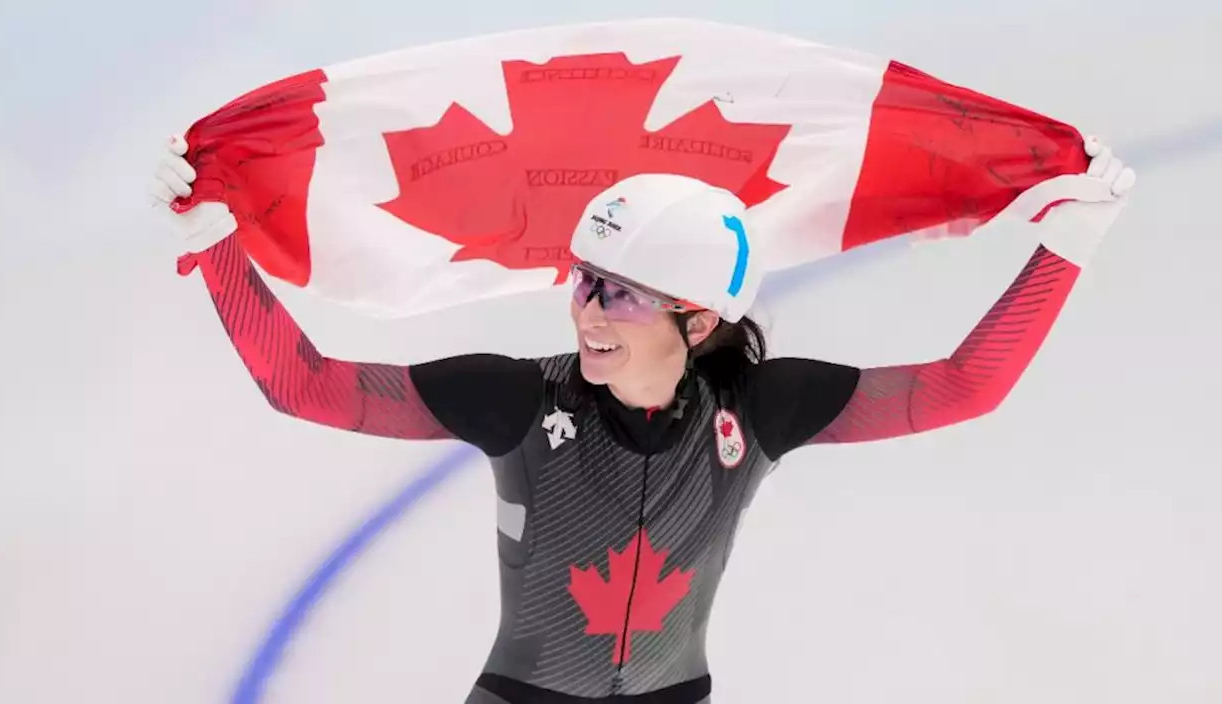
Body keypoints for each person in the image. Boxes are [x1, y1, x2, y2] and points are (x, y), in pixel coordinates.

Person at [150, 134, 1134, 704]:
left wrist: (1068, 246)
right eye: (582, 281)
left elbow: (962, 385)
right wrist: (219, 250)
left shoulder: (761, 408)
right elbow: (306, 382)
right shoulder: (518, 398)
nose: (584, 309)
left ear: (697, 318)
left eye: (620, 293)